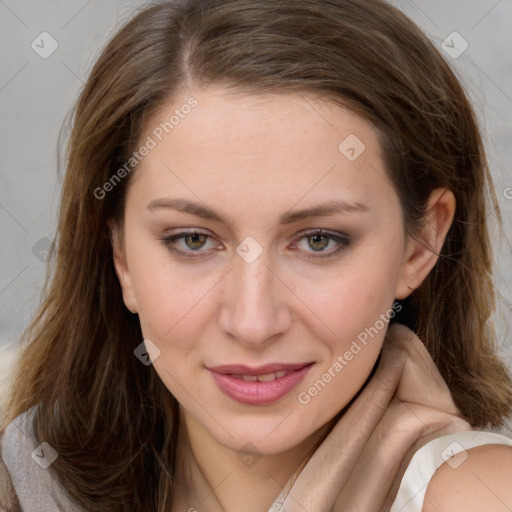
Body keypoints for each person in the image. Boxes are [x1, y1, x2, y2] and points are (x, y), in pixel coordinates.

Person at [1, 0, 512, 510]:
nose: (252, 323)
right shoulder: (25, 479)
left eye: (319, 240)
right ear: (121, 255)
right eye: (193, 240)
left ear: (421, 243)